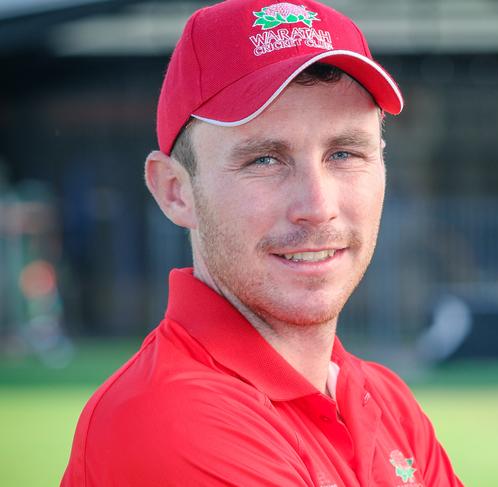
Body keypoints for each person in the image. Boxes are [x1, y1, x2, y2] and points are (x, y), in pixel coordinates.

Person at [61, 1, 463, 485]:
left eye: (344, 152)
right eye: (265, 160)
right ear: (175, 190)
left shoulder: (386, 400)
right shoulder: (169, 418)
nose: (317, 205)